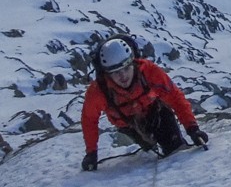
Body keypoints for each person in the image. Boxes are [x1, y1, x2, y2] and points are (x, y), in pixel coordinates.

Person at [80, 37, 208, 171]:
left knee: (174, 147)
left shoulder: (149, 71)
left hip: (157, 114)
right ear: (107, 74)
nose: (123, 76)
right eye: (116, 72)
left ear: (133, 63)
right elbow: (89, 119)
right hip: (129, 125)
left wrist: (192, 128)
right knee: (149, 146)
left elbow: (175, 97)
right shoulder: (99, 91)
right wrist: (91, 152)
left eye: (126, 68)